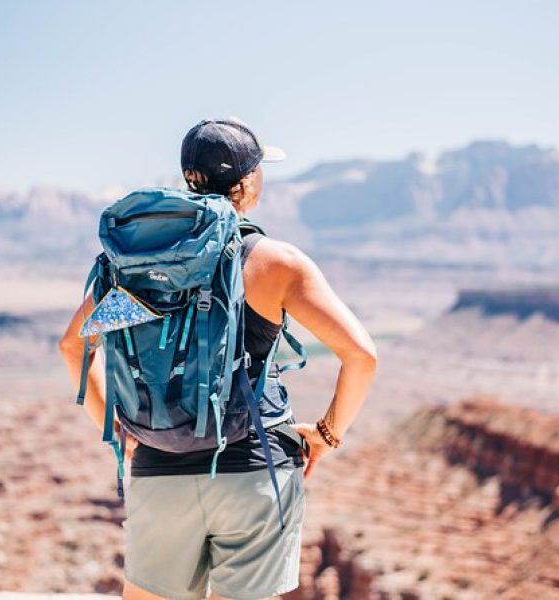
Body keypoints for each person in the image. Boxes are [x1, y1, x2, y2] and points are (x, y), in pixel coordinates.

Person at [58, 117, 378, 600]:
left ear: (191, 178)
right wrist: (327, 435)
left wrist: (121, 432)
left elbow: (73, 346)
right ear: (248, 183)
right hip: (253, 468)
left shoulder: (134, 261)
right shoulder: (274, 262)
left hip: (159, 469)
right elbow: (361, 356)